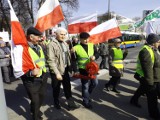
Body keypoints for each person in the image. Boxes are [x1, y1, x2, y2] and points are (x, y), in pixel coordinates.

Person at [46, 27, 80, 110]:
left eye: (64, 34)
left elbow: (67, 57)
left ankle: (71, 103)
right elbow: (51, 60)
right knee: (56, 88)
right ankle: (56, 102)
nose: (63, 36)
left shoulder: (65, 43)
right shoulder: (51, 45)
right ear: (56, 34)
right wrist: (57, 73)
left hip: (65, 70)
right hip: (56, 71)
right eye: (61, 34)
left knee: (67, 87)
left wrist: (71, 52)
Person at [20, 27, 48, 120]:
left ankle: (35, 109)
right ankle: (35, 117)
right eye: (38, 37)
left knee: (41, 97)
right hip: (31, 80)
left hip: (42, 77)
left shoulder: (39, 46)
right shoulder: (23, 49)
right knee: (35, 100)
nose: (40, 39)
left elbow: (42, 60)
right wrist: (31, 73)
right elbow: (19, 68)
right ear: (31, 37)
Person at [130, 33, 160, 119]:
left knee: (142, 89)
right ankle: (154, 114)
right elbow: (148, 70)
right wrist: (150, 83)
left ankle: (133, 100)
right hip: (150, 79)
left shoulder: (154, 49)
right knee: (152, 98)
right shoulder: (145, 51)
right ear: (153, 42)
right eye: (158, 41)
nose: (159, 43)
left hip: (155, 78)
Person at [73, 32, 99, 109]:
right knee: (85, 86)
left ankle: (86, 95)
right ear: (80, 39)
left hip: (92, 69)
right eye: (84, 39)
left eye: (87, 38)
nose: (86, 40)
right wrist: (75, 70)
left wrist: (95, 56)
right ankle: (85, 101)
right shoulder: (76, 47)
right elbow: (73, 60)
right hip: (83, 69)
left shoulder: (92, 45)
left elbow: (97, 53)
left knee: (95, 83)